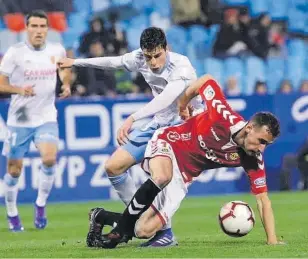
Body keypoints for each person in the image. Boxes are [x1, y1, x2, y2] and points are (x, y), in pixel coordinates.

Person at [95, 74, 285, 249]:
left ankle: (102, 217)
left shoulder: (253, 159)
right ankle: (119, 232)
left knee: (143, 230)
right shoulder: (223, 115)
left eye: (266, 145)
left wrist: (272, 240)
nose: (261, 149)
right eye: (261, 141)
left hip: (184, 175)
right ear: (250, 128)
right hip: (170, 142)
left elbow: (263, 201)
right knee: (161, 176)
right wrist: (183, 104)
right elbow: (207, 80)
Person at [58, 27, 202, 247]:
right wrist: (75, 62)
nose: (153, 62)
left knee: (159, 175)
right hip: (159, 123)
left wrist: (132, 118)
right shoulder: (139, 58)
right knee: (113, 166)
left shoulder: (181, 66)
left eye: (157, 56)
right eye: (148, 56)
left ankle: (161, 232)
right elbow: (112, 62)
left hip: (184, 129)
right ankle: (143, 222)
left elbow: (166, 98)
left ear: (166, 48)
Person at [0, 10, 71, 232]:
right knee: (14, 171)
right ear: (27, 28)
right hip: (19, 119)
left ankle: (40, 204)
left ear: (47, 29)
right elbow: (1, 84)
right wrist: (19, 89)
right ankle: (12, 212)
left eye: (42, 26)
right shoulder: (15, 53)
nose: (39, 31)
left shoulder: (56, 50)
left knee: (49, 159)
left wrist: (66, 84)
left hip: (46, 116)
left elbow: (65, 69)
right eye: (34, 26)